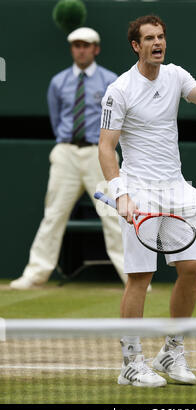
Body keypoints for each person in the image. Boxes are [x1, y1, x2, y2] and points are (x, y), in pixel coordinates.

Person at [98, 15, 196, 387]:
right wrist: (120, 194)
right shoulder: (120, 89)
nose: (158, 43)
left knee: (193, 269)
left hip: (177, 189)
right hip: (139, 191)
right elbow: (106, 147)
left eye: (161, 37)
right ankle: (130, 362)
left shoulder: (176, 75)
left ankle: (172, 351)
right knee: (140, 276)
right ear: (135, 46)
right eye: (149, 38)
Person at [10, 27, 127, 289]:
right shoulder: (58, 82)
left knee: (111, 213)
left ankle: (132, 275)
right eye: (76, 45)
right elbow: (57, 118)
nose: (81, 50)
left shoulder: (111, 81)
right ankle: (35, 274)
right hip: (66, 152)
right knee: (54, 214)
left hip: (100, 153)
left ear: (95, 49)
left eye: (86, 45)